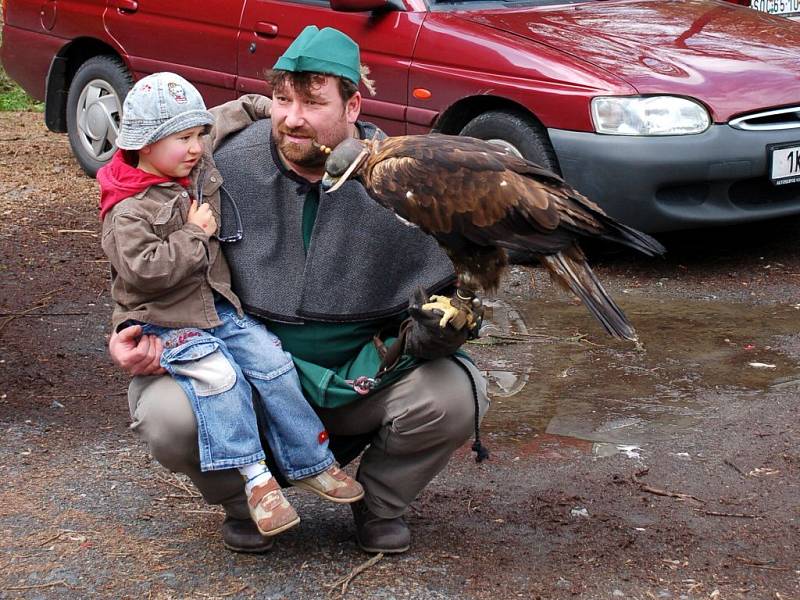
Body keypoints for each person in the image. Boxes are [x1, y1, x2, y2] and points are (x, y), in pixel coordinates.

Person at [109, 27, 489, 555]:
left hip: (359, 382)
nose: (291, 118)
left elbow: (459, 284)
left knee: (454, 393)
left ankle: (380, 504)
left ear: (353, 104)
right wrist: (127, 327)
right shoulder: (215, 164)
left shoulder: (402, 180)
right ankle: (249, 504)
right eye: (282, 100)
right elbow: (136, 243)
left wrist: (435, 333)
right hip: (243, 382)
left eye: (313, 102)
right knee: (165, 413)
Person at [99, 72, 364, 539]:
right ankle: (256, 482)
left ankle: (312, 462)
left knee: (273, 363)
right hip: (168, 324)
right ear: (144, 143)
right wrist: (195, 235)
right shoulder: (128, 208)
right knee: (221, 379)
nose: (197, 146)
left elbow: (228, 114)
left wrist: (272, 110)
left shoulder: (191, 163)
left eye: (198, 135)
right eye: (183, 138)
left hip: (216, 310)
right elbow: (145, 271)